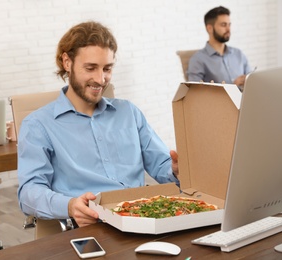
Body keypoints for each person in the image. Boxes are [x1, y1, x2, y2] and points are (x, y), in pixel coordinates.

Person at [17, 21, 179, 229]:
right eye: (91, 68)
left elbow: (161, 165)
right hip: (89, 225)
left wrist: (176, 171)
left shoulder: (128, 112)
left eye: (107, 69)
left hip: (143, 219)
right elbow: (29, 193)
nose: (101, 79)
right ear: (67, 62)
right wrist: (69, 206)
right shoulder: (39, 125)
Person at [187, 6, 252, 91]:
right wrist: (233, 87)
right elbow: (196, 94)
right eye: (223, 25)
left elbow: (252, 83)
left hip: (246, 102)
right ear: (209, 28)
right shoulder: (198, 59)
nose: (228, 29)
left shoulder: (238, 54)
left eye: (229, 24)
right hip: (220, 104)